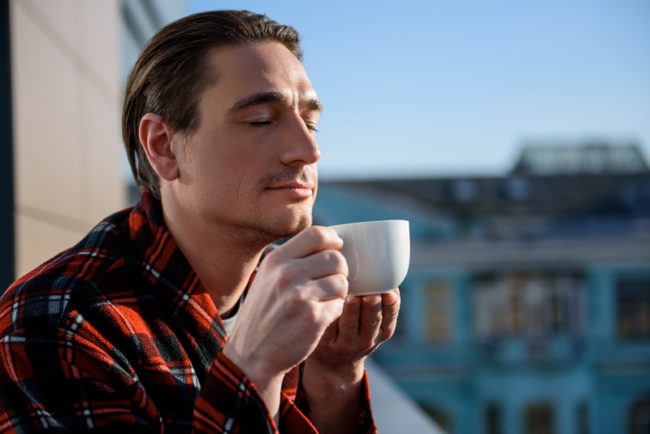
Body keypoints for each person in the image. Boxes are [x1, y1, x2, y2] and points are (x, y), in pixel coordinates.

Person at [0, 10, 400, 433]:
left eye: (312, 123)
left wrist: (335, 373)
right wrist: (254, 368)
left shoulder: (286, 298)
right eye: (261, 120)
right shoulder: (58, 325)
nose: (308, 150)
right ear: (163, 147)